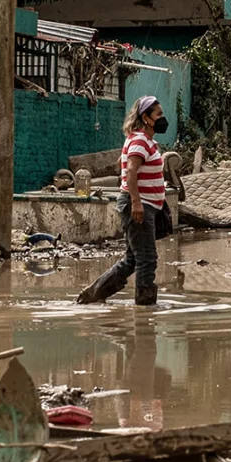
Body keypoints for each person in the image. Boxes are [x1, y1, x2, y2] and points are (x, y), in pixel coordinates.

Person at [78, 95, 172, 306]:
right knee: (147, 258)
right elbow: (131, 172)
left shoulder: (146, 141)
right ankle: (145, 308)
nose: (162, 118)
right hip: (139, 206)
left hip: (145, 205)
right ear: (146, 118)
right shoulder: (139, 140)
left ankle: (92, 295)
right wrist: (137, 203)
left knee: (133, 259)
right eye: (158, 114)